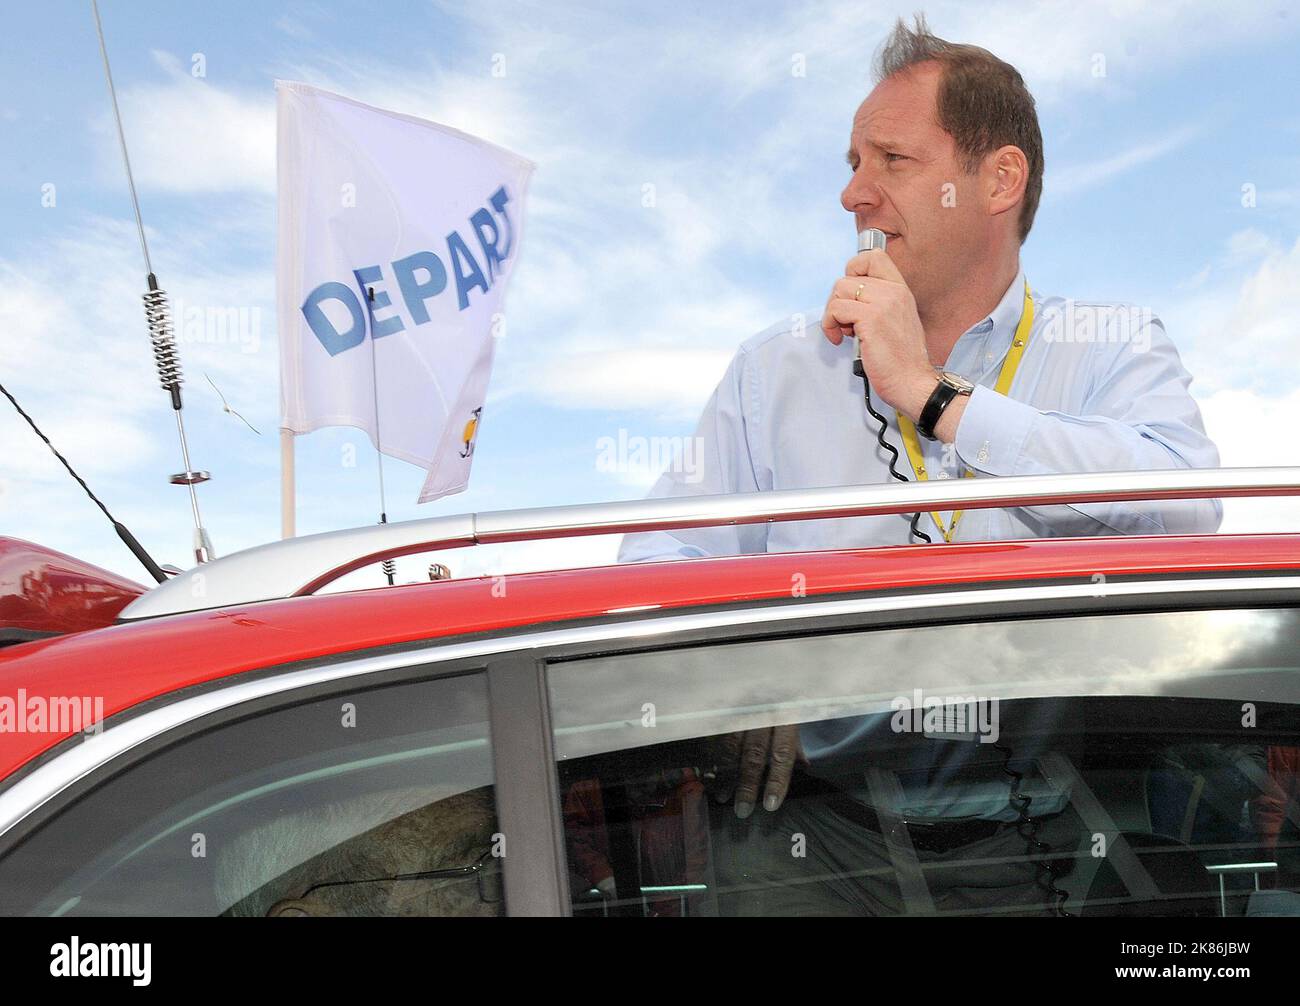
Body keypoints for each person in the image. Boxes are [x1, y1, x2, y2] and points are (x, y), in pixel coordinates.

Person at [617, 15, 1224, 916]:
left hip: (1049, 826)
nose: (853, 195)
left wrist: (934, 397)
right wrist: (739, 674)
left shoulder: (1108, 346)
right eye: (851, 163)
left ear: (998, 180)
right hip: (814, 834)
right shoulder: (777, 369)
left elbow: (1187, 509)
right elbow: (649, 576)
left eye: (890, 162)